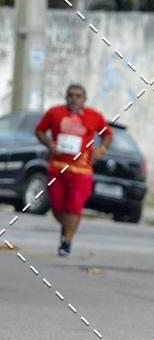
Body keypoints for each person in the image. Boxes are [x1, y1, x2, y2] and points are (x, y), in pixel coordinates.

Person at [35, 83, 112, 256]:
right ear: (66, 97)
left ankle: (66, 243)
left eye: (78, 96)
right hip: (58, 168)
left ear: (84, 99)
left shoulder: (94, 116)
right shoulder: (54, 113)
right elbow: (39, 131)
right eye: (71, 95)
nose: (74, 99)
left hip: (82, 171)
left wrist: (101, 150)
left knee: (74, 208)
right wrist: (49, 144)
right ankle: (67, 228)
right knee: (57, 207)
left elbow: (107, 134)